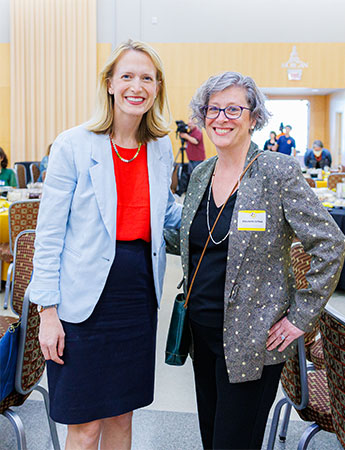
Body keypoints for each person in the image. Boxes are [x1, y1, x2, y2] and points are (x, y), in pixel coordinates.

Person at [178, 71, 345, 450]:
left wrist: (301, 316)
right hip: (201, 334)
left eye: (234, 108)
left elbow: (330, 244)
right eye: (213, 109)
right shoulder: (200, 173)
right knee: (212, 437)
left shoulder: (276, 171)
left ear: (254, 117)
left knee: (234, 442)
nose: (221, 117)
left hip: (253, 341)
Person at [29, 39, 182, 450]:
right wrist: (47, 312)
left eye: (147, 77)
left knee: (121, 414)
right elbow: (49, 236)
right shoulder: (73, 145)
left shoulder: (159, 147)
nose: (137, 85)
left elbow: (168, 214)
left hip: (136, 298)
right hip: (81, 302)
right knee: (84, 425)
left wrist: (225, 207)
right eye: (127, 76)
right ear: (110, 84)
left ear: (157, 87)